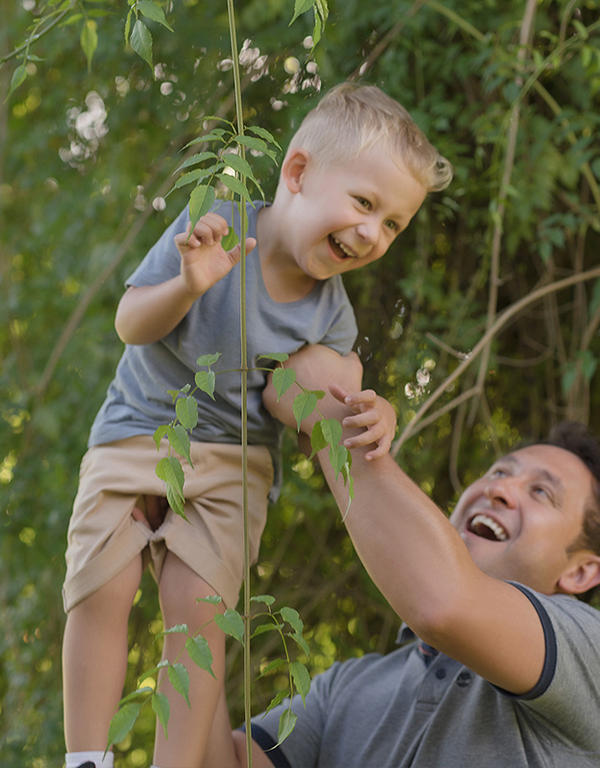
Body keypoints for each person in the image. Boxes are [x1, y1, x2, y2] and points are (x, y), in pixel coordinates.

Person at [61, 85, 453, 768]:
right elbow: (129, 324)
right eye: (364, 204)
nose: (371, 233)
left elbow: (329, 414)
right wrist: (188, 283)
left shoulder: (334, 319)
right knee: (102, 588)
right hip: (140, 431)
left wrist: (376, 412)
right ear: (297, 174)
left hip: (234, 466)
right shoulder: (214, 225)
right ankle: (85, 759)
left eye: (392, 225)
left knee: (200, 621)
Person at [224, 345, 600, 768]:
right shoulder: (345, 688)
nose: (499, 488)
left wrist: (331, 419)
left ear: (582, 571)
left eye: (541, 492)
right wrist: (193, 567)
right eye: (499, 471)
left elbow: (445, 605)